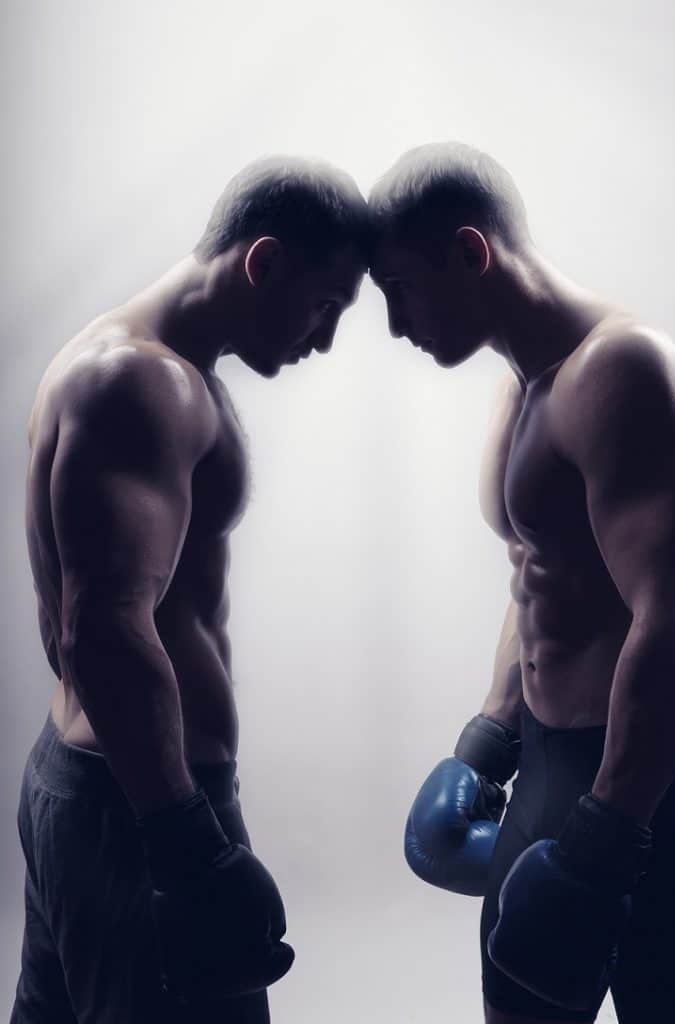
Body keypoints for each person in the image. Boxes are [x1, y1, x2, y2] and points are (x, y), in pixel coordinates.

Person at [368, 142, 675, 1024]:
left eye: (401, 290)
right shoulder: (524, 384)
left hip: (649, 782)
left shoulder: (625, 373)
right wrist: (490, 740)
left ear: (472, 252)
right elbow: (541, 573)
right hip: (548, 758)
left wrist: (608, 834)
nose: (395, 324)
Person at [12, 155, 367, 1024]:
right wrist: (187, 843)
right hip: (138, 811)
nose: (322, 340)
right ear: (265, 261)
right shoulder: (142, 383)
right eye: (326, 306)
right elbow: (100, 627)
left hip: (104, 795)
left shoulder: (145, 367)